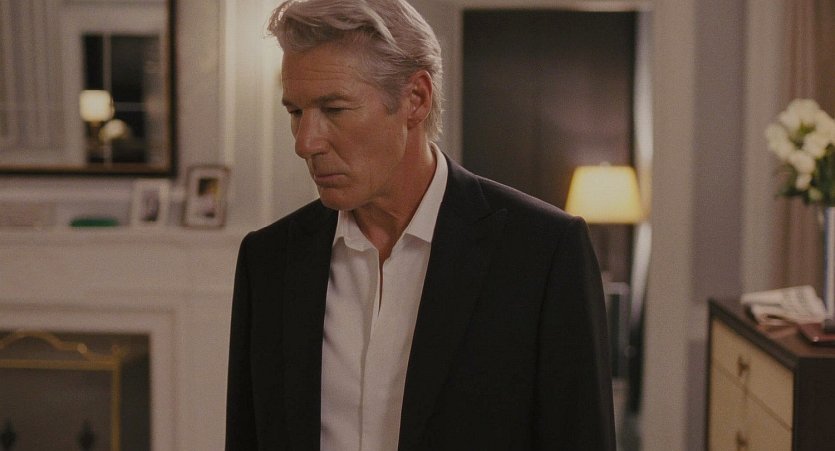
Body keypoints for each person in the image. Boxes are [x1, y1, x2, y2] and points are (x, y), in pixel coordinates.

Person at [225, 0, 616, 449]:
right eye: (295, 112)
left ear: (416, 99)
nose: (305, 142)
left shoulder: (542, 254)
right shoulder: (268, 261)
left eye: (333, 109)